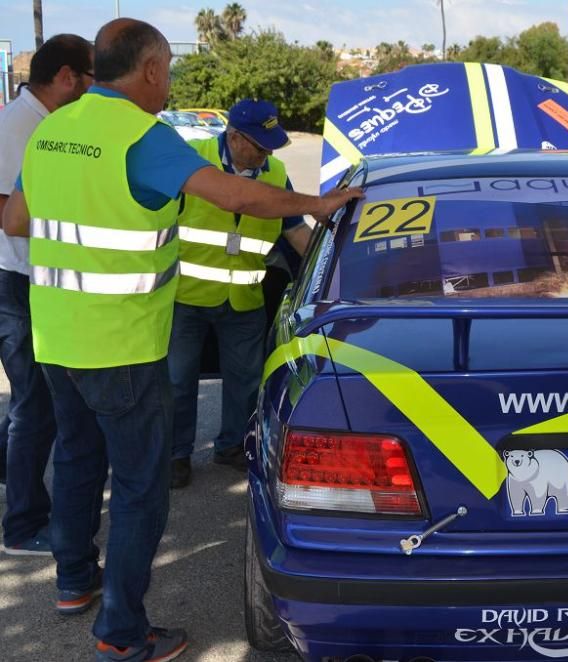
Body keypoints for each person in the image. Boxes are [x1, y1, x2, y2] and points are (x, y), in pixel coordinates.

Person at [2, 18, 361, 661]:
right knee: (141, 487)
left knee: (79, 464)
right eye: (166, 70)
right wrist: (319, 202)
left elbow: (18, 219)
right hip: (123, 343)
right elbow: (237, 197)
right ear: (147, 69)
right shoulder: (143, 136)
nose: (167, 83)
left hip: (54, 335)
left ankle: (73, 582)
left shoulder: (52, 130)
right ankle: (121, 631)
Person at [168, 99, 311, 489]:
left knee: (245, 380)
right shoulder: (192, 160)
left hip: (244, 298)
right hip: (187, 295)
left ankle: (232, 445)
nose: (266, 155)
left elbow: (295, 231)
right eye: (259, 146)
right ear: (233, 136)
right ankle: (176, 455)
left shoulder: (276, 173)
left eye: (271, 146)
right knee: (178, 380)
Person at [0, 34, 93, 557]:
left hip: (32, 281)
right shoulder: (20, 126)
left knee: (34, 406)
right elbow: (6, 214)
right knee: (34, 408)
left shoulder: (41, 122)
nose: (92, 90)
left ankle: (14, 475)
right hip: (16, 282)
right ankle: (23, 524)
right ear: (66, 77)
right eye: (90, 79)